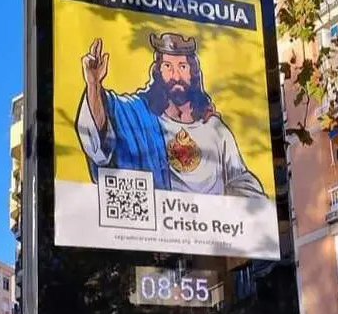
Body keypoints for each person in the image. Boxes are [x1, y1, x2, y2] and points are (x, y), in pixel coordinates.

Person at [75, 32, 266, 198]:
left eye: (182, 67)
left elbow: (240, 180)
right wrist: (93, 85)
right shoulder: (138, 115)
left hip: (208, 227)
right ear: (158, 72)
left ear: (193, 73)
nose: (175, 76)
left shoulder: (215, 129)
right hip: (158, 226)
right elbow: (99, 132)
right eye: (167, 66)